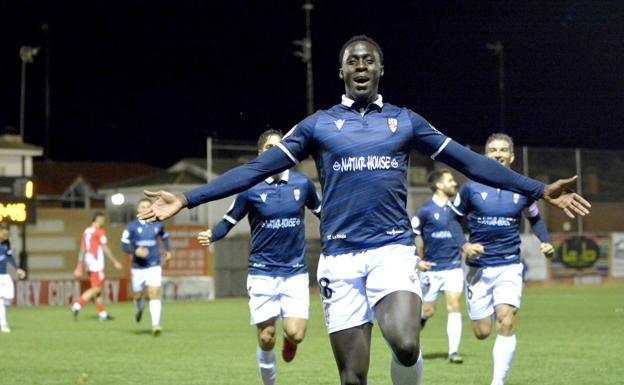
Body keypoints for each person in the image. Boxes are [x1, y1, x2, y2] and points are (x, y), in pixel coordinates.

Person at [137, 35, 589, 385]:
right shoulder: (318, 126)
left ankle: (405, 362)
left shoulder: (406, 120)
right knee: (353, 377)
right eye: (352, 60)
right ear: (341, 71)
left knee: (407, 343)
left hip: (392, 251)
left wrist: (539, 189)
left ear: (380, 69)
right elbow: (257, 169)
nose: (360, 65)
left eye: (368, 59)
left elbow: (470, 162)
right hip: (339, 260)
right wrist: (188, 198)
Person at [197, 129, 321, 385]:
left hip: (295, 272)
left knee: (296, 334)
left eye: (279, 146)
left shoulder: (302, 184)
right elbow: (229, 220)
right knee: (266, 337)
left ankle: (290, 341)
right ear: (260, 154)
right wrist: (213, 234)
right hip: (262, 272)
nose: (274, 152)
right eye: (269, 148)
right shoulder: (250, 188)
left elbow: (322, 212)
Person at [452, 133, 555, 385]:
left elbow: (534, 218)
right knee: (482, 332)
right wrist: (464, 244)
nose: (498, 154)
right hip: (477, 270)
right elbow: (452, 219)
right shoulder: (470, 188)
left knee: (506, 321)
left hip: (509, 265)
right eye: (493, 150)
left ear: (512, 156)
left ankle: (497, 382)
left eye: (503, 150)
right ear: (485, 155)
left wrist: (544, 240)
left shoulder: (522, 188)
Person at [411, 169, 465, 364]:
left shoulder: (456, 209)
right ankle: (409, 339)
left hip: (453, 267)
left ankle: (453, 352)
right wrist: (417, 260)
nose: (454, 183)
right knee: (428, 311)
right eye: (450, 180)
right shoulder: (425, 211)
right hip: (431, 269)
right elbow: (410, 236)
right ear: (439, 185)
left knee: (454, 304)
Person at [121, 198, 172, 336]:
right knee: (137, 294)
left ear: (151, 209)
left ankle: (156, 325)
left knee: (154, 293)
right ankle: (139, 306)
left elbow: (164, 237)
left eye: (147, 207)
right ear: (138, 210)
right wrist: (134, 251)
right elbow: (124, 245)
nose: (145, 209)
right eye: (142, 206)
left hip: (154, 265)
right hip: (138, 267)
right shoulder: (131, 227)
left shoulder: (157, 225)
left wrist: (167, 251)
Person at [72, 212, 123, 321]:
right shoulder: (99, 232)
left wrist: (79, 265)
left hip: (88, 262)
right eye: (102, 219)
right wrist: (115, 261)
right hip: (96, 263)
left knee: (98, 290)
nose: (103, 222)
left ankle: (102, 314)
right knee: (96, 288)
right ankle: (77, 305)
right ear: (98, 219)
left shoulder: (86, 231)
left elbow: (82, 249)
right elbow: (104, 248)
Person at [0, 222, 26, 333]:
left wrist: (18, 269)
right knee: (1, 301)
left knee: (9, 296)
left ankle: (4, 308)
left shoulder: (4, 247)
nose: (5, 234)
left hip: (4, 275)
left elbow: (10, 258)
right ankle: (3, 324)